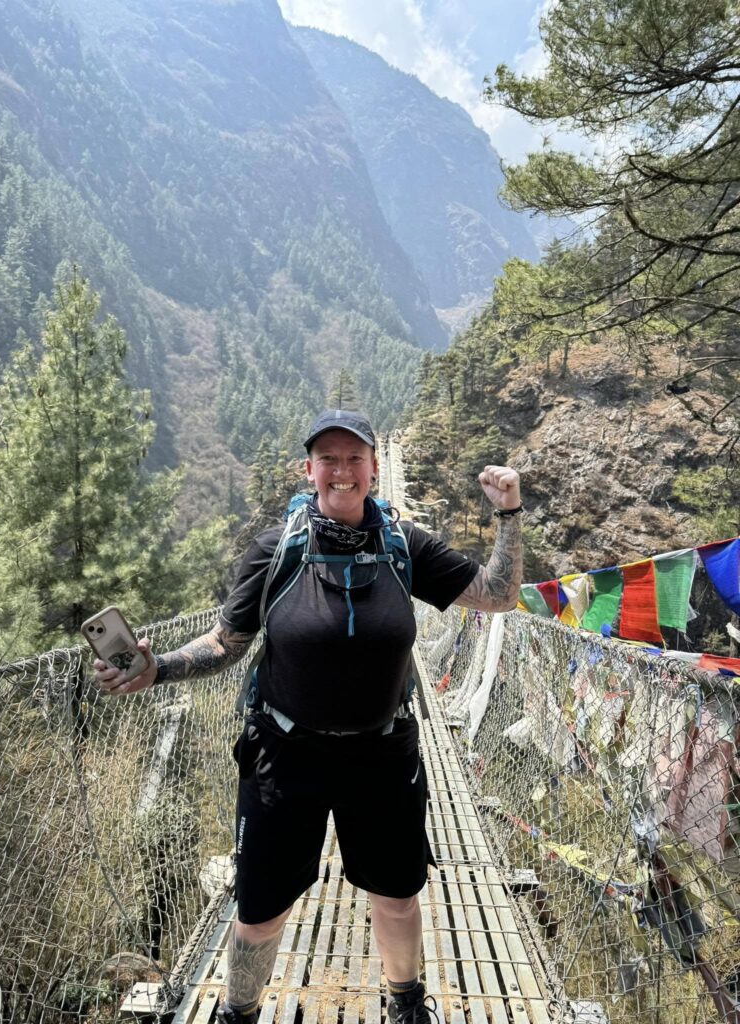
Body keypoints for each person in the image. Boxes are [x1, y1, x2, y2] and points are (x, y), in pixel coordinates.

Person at [94, 409, 523, 1024]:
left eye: (354, 459)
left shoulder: (405, 546)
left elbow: (498, 596)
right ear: (309, 469)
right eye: (329, 459)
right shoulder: (277, 550)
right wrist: (156, 667)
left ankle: (405, 1003)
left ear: (374, 469)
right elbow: (226, 643)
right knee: (260, 909)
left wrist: (508, 514)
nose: (341, 471)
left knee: (397, 896)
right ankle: (239, 1011)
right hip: (284, 753)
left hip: (382, 754)